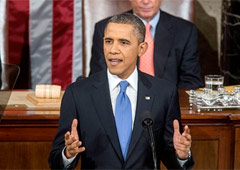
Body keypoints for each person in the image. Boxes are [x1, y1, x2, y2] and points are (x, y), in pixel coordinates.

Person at [49, 13, 194, 169]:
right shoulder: (78, 94)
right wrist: (68, 154)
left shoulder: (164, 93)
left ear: (141, 48)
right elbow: (56, 162)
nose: (113, 50)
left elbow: (171, 159)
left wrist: (181, 155)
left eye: (123, 42)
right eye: (108, 41)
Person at [89, 0, 203, 90]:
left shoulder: (185, 30)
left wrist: (169, 104)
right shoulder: (106, 28)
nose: (146, 1)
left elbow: (191, 81)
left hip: (168, 106)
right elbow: (99, 76)